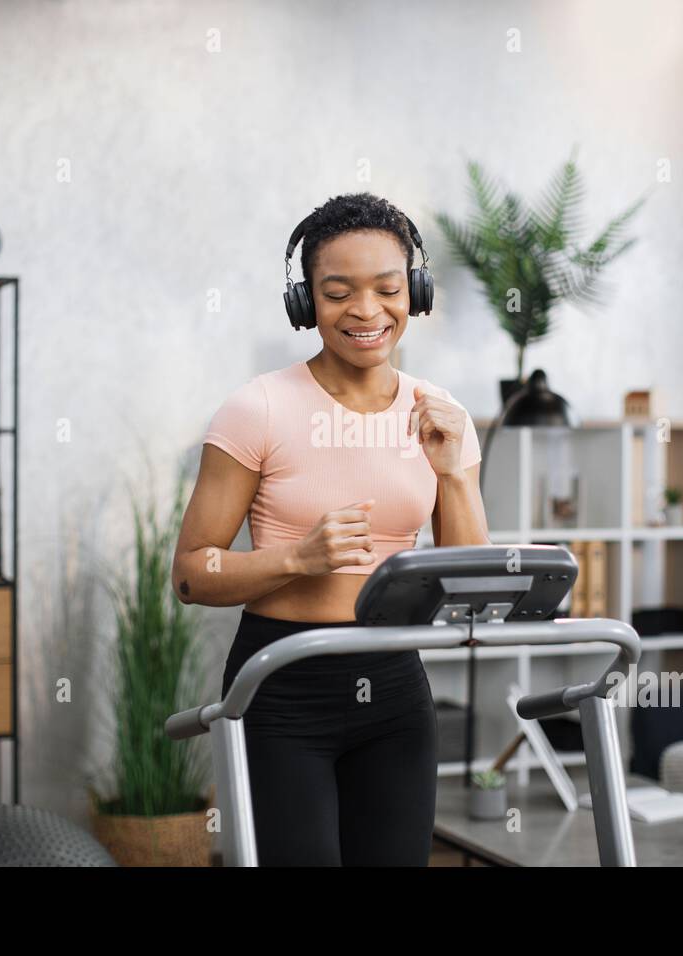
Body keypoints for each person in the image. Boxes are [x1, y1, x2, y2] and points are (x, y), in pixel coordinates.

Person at [172, 192, 489, 865]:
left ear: (416, 293)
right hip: (283, 687)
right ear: (305, 302)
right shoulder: (256, 409)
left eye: (388, 289)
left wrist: (455, 472)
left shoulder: (441, 413)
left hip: (395, 688)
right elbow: (192, 574)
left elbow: (470, 587)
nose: (367, 311)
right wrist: (296, 560)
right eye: (338, 292)